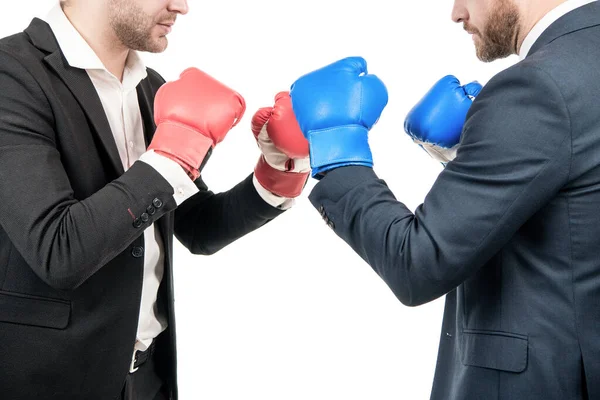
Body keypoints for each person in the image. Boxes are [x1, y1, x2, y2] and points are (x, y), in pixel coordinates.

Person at [289, 0, 600, 398]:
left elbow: (417, 264)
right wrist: (473, 155)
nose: (455, 12)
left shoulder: (537, 86)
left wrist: (337, 145)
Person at [0, 0, 309, 399]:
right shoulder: (11, 75)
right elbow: (58, 251)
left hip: (148, 379)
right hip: (50, 381)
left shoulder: (152, 88)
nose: (181, 6)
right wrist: (172, 157)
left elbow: (198, 227)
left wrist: (276, 172)